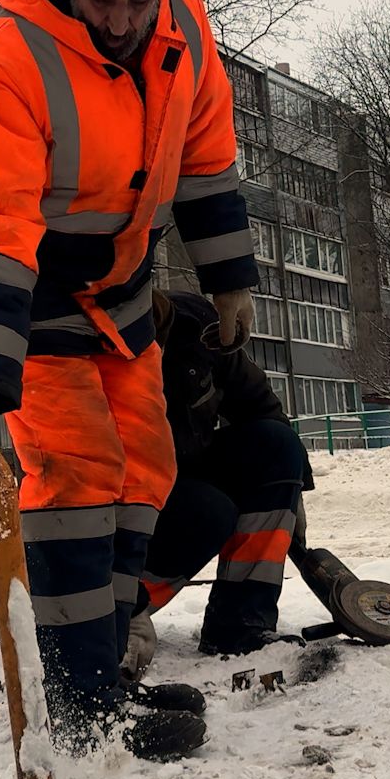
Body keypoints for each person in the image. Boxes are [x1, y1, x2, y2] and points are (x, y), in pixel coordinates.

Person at [0, 0, 259, 762]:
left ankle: (104, 660)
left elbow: (209, 155)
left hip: (128, 291)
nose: (122, 23)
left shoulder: (183, 20)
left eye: (137, 3)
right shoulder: (7, 49)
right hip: (41, 296)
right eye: (103, 0)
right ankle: (80, 703)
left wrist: (229, 278)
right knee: (75, 478)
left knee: (143, 468)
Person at [120, 290, 311, 678]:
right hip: (117, 510)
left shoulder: (200, 331)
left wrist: (289, 486)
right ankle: (116, 613)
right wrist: (119, 597)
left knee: (276, 447)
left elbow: (260, 405)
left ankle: (240, 625)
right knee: (208, 511)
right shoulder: (85, 355)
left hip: (181, 474)